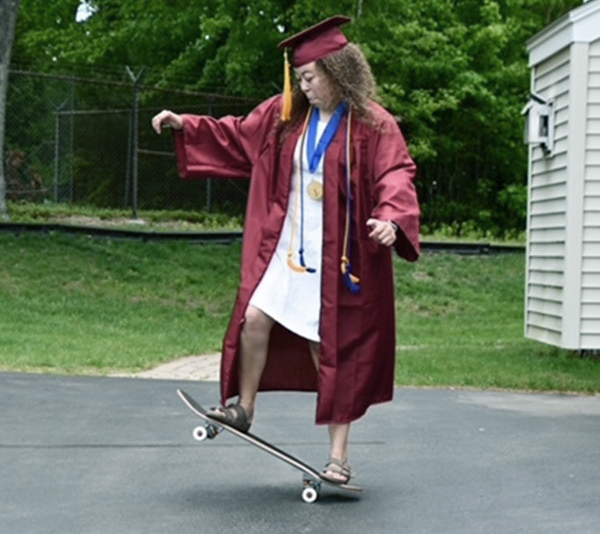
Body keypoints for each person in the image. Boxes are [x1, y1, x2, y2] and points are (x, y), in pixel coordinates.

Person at [151, 15, 420, 485]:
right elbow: (236, 135)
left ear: (338, 72)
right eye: (299, 78)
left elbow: (396, 173)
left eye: (311, 78)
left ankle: (338, 457)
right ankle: (243, 408)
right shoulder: (285, 115)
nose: (304, 86)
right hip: (287, 247)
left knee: (329, 349)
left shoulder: (373, 124)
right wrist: (186, 126)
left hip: (339, 259)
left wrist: (391, 219)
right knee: (254, 319)